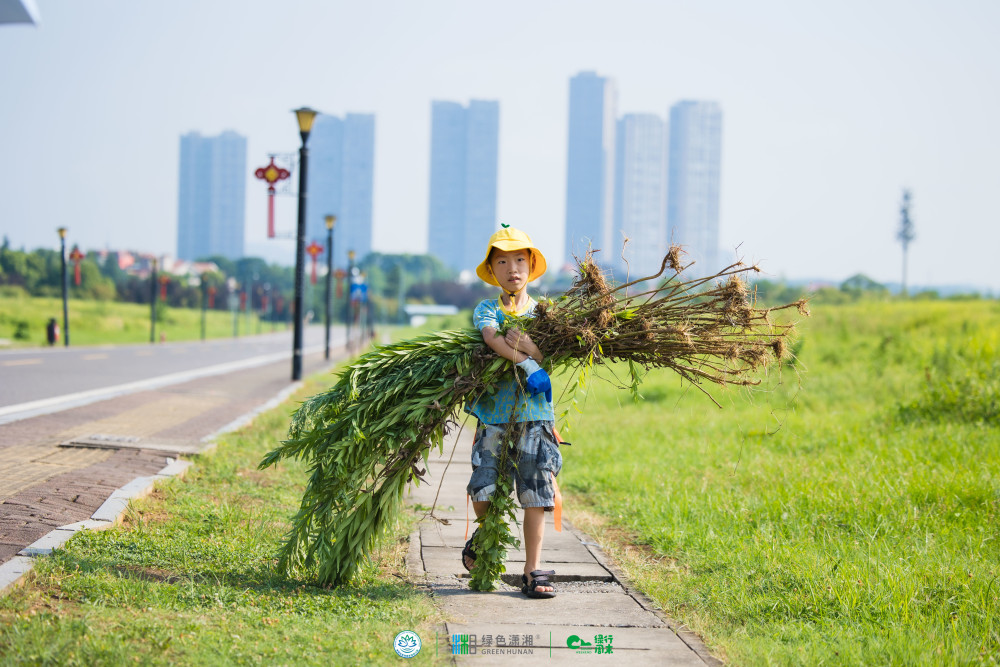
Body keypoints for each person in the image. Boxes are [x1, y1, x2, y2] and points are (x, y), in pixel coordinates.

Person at [462, 226, 562, 599]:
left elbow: (555, 356)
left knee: (537, 491)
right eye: (501, 261)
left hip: (535, 416)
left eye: (519, 259)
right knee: (483, 487)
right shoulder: (487, 309)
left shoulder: (544, 313)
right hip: (494, 415)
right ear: (492, 269)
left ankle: (532, 570)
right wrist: (527, 362)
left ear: (531, 265)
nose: (512, 268)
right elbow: (492, 338)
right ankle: (485, 532)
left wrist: (536, 351)